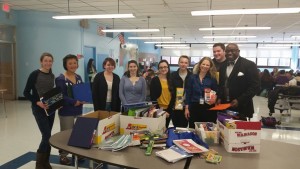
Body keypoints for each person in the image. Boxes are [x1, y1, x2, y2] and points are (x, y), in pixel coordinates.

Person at [23, 52, 55, 169]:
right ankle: (39, 164)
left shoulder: (52, 76)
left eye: (50, 61)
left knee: (49, 136)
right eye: (45, 60)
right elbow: (26, 92)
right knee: (46, 135)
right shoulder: (34, 74)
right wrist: (37, 102)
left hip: (50, 109)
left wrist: (57, 103)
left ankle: (46, 162)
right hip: (38, 109)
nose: (48, 63)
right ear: (41, 62)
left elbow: (51, 93)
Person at [55, 54, 84, 165]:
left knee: (79, 132)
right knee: (66, 133)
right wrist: (74, 102)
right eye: (70, 63)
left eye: (75, 63)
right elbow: (61, 95)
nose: (73, 65)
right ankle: (63, 155)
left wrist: (84, 99)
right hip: (66, 111)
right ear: (65, 65)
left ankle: (77, 153)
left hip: (78, 110)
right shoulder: (60, 79)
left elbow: (81, 92)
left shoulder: (78, 77)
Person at [218, 43, 260, 121]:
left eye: (232, 50)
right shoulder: (223, 65)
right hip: (224, 106)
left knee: (238, 131)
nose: (229, 53)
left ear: (238, 51)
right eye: (227, 51)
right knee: (224, 129)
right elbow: (221, 84)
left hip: (241, 106)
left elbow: (255, 86)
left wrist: (240, 100)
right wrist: (220, 97)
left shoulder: (249, 64)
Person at [185, 57, 218, 128]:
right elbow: (188, 93)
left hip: (208, 108)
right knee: (193, 128)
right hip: (194, 107)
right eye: (203, 64)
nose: (205, 66)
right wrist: (187, 108)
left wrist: (214, 97)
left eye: (207, 65)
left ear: (210, 67)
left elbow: (216, 91)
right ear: (200, 65)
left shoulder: (212, 79)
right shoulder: (192, 78)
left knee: (207, 130)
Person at [150, 60, 173, 128]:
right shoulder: (155, 80)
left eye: (165, 67)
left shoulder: (171, 79)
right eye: (161, 67)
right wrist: (161, 112)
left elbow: (173, 96)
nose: (163, 69)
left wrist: (168, 111)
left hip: (169, 109)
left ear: (168, 68)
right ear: (159, 69)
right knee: (158, 130)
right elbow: (153, 97)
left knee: (165, 129)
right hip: (158, 109)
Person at [170, 55, 192, 127]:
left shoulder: (192, 76)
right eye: (181, 62)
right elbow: (171, 90)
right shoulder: (173, 75)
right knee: (176, 126)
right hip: (176, 105)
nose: (183, 64)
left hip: (187, 105)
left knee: (184, 126)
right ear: (178, 63)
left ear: (188, 64)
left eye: (186, 63)